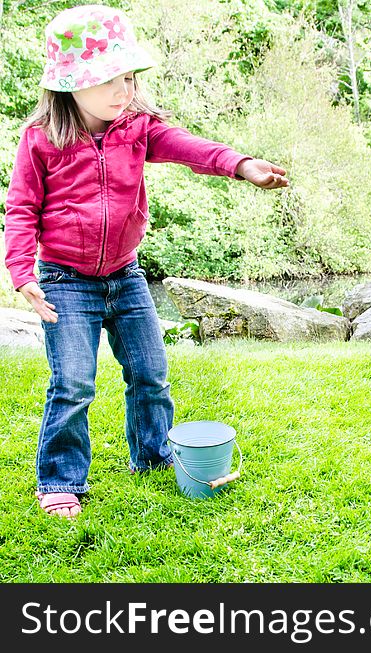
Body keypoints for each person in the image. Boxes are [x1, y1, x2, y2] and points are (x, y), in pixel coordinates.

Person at [3, 5, 289, 518]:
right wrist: (23, 273)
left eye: (129, 77)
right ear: (70, 84)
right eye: (110, 79)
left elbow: (187, 147)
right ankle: (61, 481)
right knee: (72, 383)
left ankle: (154, 458)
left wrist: (241, 165)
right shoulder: (42, 138)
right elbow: (22, 208)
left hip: (125, 274)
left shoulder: (137, 127)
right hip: (65, 280)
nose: (123, 89)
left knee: (151, 374)